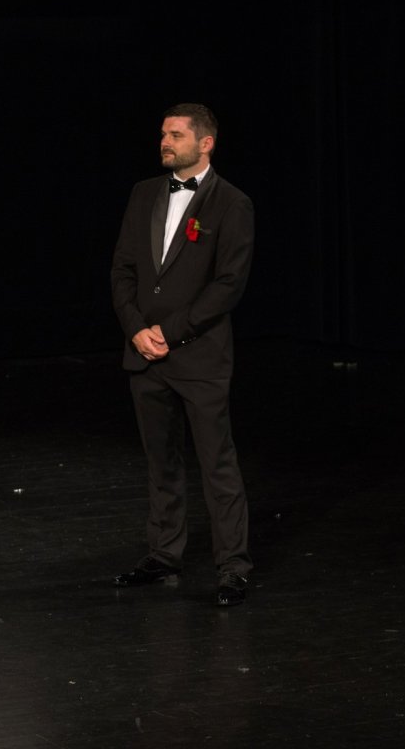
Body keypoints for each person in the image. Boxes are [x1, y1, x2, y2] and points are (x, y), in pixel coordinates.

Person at [109, 104, 256, 606]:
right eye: (163, 134)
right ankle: (164, 553)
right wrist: (136, 329)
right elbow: (123, 270)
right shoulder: (144, 193)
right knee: (161, 462)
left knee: (217, 465)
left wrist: (168, 332)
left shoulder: (232, 203)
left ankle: (233, 567)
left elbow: (228, 285)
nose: (165, 142)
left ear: (205, 143)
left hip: (199, 357)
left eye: (175, 135)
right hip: (146, 355)